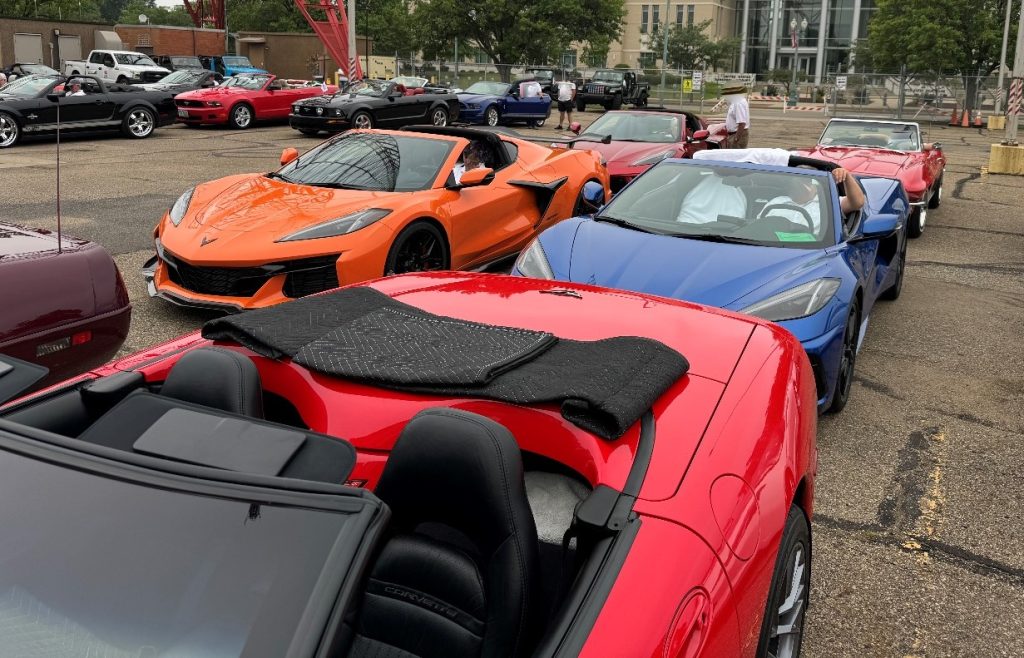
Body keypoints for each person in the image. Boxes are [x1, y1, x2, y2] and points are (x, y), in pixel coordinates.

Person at [759, 167, 864, 232]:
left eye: (806, 181)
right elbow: (759, 226)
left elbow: (857, 203)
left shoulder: (828, 202)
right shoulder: (777, 202)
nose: (801, 184)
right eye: (798, 180)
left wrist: (846, 175)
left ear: (815, 184)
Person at [721, 85, 750, 149]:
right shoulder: (736, 101)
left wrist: (736, 139)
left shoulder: (738, 103)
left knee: (734, 157)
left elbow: (742, 123)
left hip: (737, 135)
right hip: (735, 134)